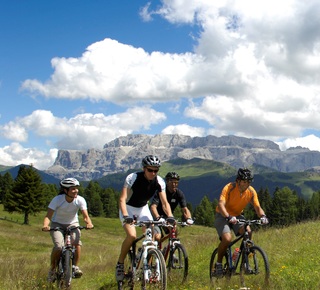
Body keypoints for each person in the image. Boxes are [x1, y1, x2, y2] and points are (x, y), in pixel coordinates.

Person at [116, 155, 175, 282]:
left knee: (151, 236)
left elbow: (164, 203)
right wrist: (126, 216)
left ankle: (146, 265)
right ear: (144, 169)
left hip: (143, 208)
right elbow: (122, 199)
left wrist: (170, 216)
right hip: (128, 208)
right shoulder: (132, 178)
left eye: (156, 170)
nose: (153, 173)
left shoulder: (159, 181)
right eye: (150, 170)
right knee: (131, 236)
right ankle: (120, 263)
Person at [213, 168, 269, 277]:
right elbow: (220, 204)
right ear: (238, 180)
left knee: (248, 231)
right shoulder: (229, 187)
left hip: (238, 216)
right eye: (244, 181)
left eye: (248, 181)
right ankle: (218, 263)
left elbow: (257, 207)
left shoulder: (251, 192)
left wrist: (263, 216)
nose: (246, 184)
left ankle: (244, 262)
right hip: (222, 214)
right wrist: (228, 216)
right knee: (227, 239)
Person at [42, 177, 94, 282]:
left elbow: (85, 216)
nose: (76, 191)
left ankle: (75, 267)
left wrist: (89, 223)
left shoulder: (80, 200)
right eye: (73, 189)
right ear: (66, 190)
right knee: (58, 247)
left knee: (77, 243)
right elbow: (48, 216)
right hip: (57, 224)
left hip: (72, 224)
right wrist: (46, 225)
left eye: (76, 188)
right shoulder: (57, 200)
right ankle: (52, 270)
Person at [150, 171, 194, 243]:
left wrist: (189, 218)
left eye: (176, 182)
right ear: (167, 182)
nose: (174, 184)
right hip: (155, 216)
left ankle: (169, 250)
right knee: (157, 236)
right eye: (172, 182)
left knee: (174, 233)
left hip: (168, 216)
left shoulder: (179, 193)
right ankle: (155, 248)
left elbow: (185, 209)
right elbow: (153, 207)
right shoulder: (161, 192)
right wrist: (158, 218)